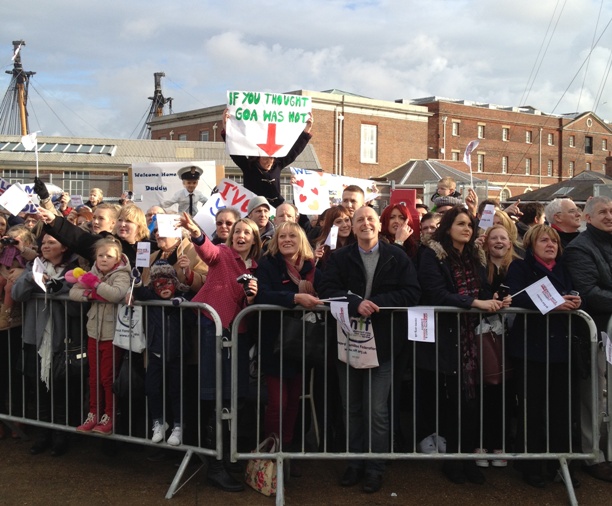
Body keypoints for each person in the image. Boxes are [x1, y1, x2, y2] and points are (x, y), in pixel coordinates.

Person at [320, 206, 420, 494]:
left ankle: (375, 467)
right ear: (352, 225)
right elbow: (326, 287)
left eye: (370, 219)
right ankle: (355, 463)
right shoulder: (340, 257)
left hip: (384, 344)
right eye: (359, 219)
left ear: (380, 225)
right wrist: (354, 304)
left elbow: (412, 291)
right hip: (348, 342)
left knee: (377, 410)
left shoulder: (397, 256)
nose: (365, 223)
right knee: (351, 407)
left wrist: (376, 302)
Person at [416, 205, 505, 485]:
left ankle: (467, 458)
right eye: (461, 224)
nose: (467, 228)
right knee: (451, 401)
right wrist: (472, 302)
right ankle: (453, 462)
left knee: (470, 402)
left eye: (470, 224)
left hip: (472, 337)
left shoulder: (475, 256)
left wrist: (495, 298)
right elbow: (435, 292)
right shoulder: (432, 255)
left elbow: (481, 289)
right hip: (446, 337)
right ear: (449, 227)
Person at [178, 212, 261, 493]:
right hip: (212, 330)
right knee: (215, 395)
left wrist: (252, 296)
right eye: (237, 230)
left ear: (254, 239)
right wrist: (196, 232)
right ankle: (215, 465)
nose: (240, 235)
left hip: (239, 334)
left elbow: (251, 303)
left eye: (246, 232)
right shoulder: (223, 254)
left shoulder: (257, 268)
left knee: (233, 396)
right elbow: (207, 250)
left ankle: (227, 456)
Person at [505, 225, 581, 488]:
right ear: (531, 245)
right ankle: (531, 465)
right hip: (531, 348)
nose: (551, 245)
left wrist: (573, 300)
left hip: (560, 349)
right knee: (531, 410)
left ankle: (559, 465)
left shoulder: (563, 268)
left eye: (554, 242)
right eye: (544, 241)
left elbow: (572, 290)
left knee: (561, 410)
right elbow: (516, 296)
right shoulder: (520, 268)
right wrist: (555, 303)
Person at [256, 222, 322, 476]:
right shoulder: (268, 264)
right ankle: (272, 454)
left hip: (301, 342)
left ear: (301, 239)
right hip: (275, 342)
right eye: (282, 236)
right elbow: (263, 294)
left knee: (293, 401)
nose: (286, 240)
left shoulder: (311, 267)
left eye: (292, 235)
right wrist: (294, 298)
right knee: (277, 403)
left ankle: (287, 451)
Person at [11, 234, 81, 456]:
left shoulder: (73, 271)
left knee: (61, 389)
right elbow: (17, 294)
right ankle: (43, 434)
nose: (46, 246)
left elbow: (76, 308)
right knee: (39, 388)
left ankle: (61, 435)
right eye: (44, 243)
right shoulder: (34, 265)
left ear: (64, 247)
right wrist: (31, 278)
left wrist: (58, 288)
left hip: (62, 340)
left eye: (52, 242)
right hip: (36, 337)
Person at [564, 196, 612, 482]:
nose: (609, 216)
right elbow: (588, 291)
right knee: (592, 397)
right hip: (593, 333)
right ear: (588, 218)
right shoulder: (580, 248)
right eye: (603, 212)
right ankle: (593, 454)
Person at [69, 237, 131, 436]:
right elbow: (73, 292)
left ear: (118, 258)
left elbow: (116, 294)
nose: (104, 259)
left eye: (109, 256)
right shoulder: (91, 273)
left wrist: (93, 284)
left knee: (107, 377)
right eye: (100, 255)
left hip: (112, 335)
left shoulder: (122, 274)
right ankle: (93, 413)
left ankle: (109, 415)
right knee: (93, 377)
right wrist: (91, 294)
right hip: (93, 332)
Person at [132, 260, 196, 446]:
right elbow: (141, 292)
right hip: (156, 354)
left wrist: (184, 305)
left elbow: (193, 317)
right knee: (152, 388)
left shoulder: (182, 297)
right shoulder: (151, 296)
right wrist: (136, 281)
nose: (164, 287)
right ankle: (158, 422)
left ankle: (178, 425)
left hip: (177, 355)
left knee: (176, 391)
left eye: (168, 282)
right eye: (158, 283)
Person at [474, 224, 518, 468]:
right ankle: (481, 443)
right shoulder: (480, 267)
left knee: (506, 392)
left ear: (510, 243)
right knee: (484, 390)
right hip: (483, 336)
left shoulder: (517, 267)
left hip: (510, 338)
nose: (499, 242)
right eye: (494, 238)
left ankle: (500, 443)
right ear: (486, 242)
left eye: (503, 238)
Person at [222, 109, 313, 206]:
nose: (269, 163)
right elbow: (234, 149)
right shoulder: (248, 166)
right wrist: (226, 127)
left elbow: (295, 151)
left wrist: (307, 130)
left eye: (271, 159)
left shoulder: (277, 164)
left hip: (276, 207)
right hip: (254, 208)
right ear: (258, 158)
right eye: (265, 159)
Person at [0, 225, 37, 329]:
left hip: (13, 280)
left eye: (15, 240)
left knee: (9, 288)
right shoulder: (6, 249)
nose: (12, 243)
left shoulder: (27, 249)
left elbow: (33, 256)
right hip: (4, 274)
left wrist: (21, 247)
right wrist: (2, 244)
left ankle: (5, 315)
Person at [313, 205, 355, 270]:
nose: (345, 225)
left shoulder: (358, 242)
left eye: (347, 220)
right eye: (339, 222)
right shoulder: (322, 247)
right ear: (330, 225)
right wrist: (314, 259)